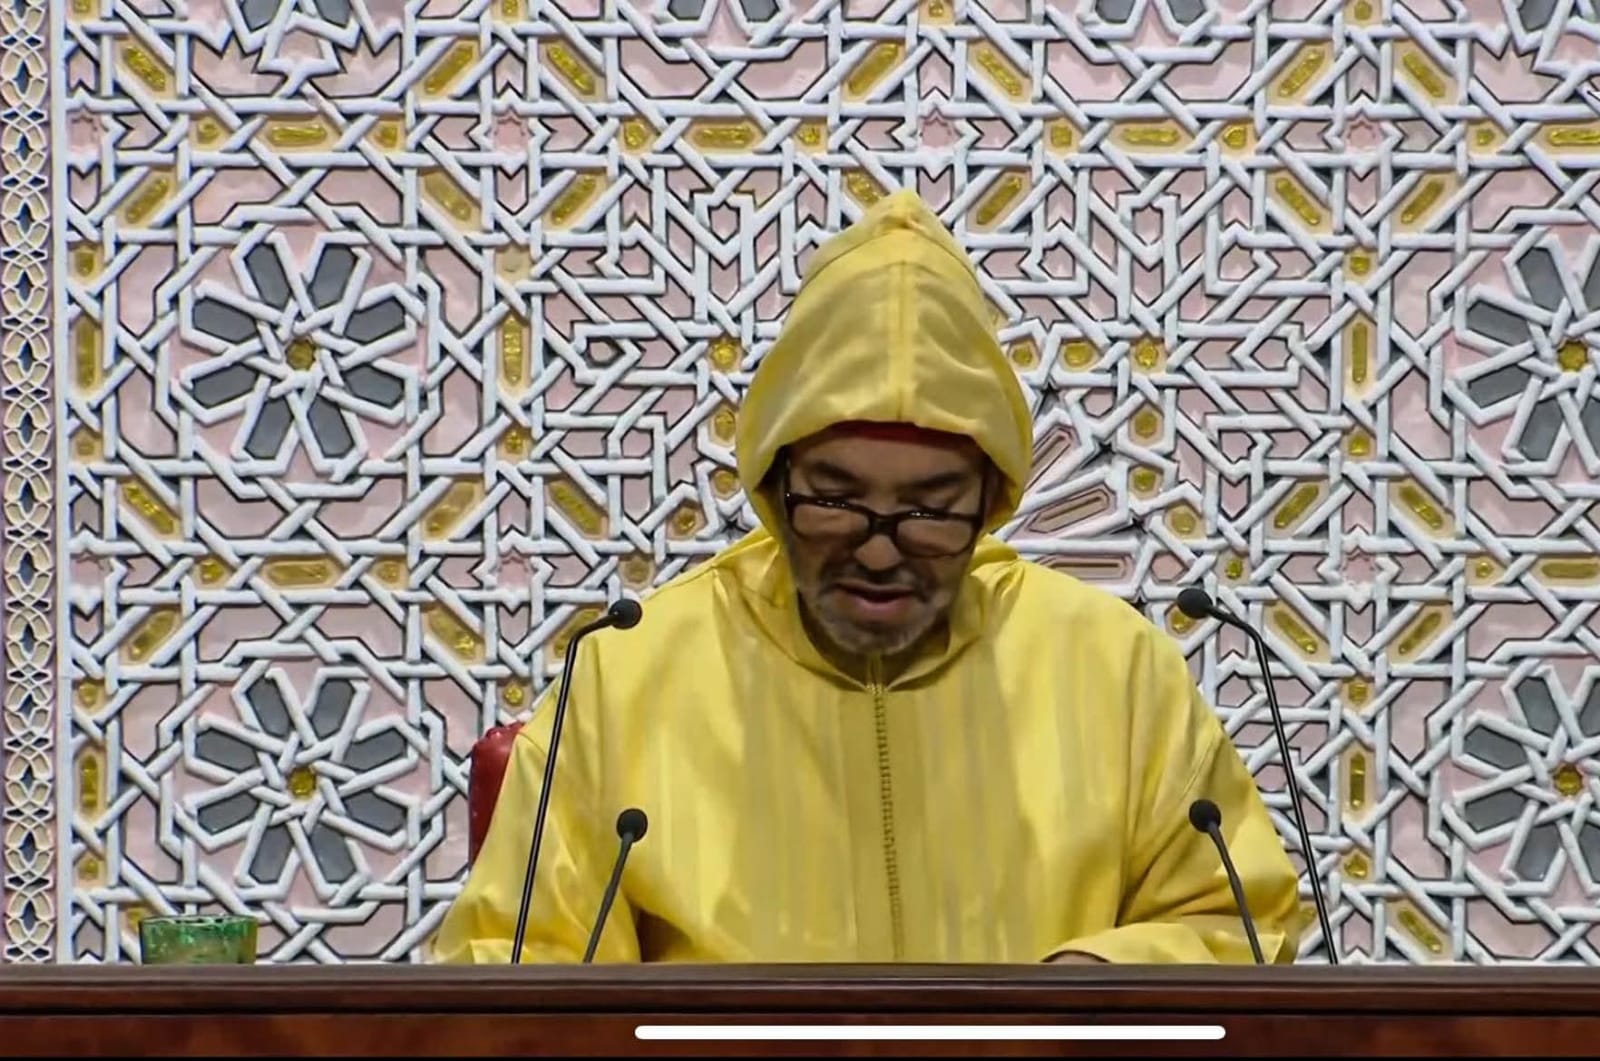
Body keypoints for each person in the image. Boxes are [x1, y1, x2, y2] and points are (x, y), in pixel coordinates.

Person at [432, 190, 1306, 964]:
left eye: (929, 509)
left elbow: (1237, 923)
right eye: (837, 499)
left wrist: (1097, 985)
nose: (881, 551)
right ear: (775, 482)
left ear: (991, 498)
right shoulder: (627, 677)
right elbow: (514, 965)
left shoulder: (1114, 669)